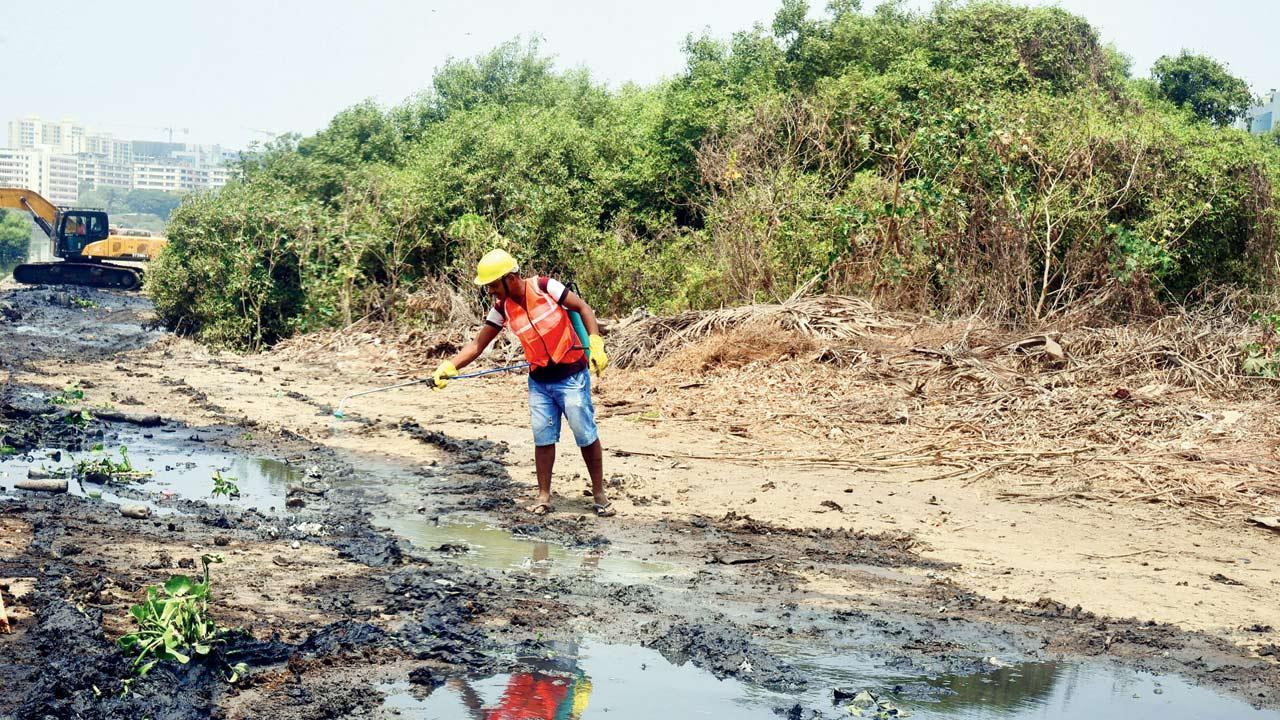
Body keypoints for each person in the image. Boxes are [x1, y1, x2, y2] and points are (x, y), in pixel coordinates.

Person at [433, 249, 615, 517]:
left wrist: (596, 342)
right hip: (540, 382)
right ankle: (543, 496)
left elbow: (583, 308)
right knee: (543, 438)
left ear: (510, 278)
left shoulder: (545, 287)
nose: (491, 291)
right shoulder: (501, 308)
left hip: (572, 376)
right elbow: (477, 344)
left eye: (494, 285)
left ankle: (599, 495)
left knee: (584, 434)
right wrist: (449, 366)